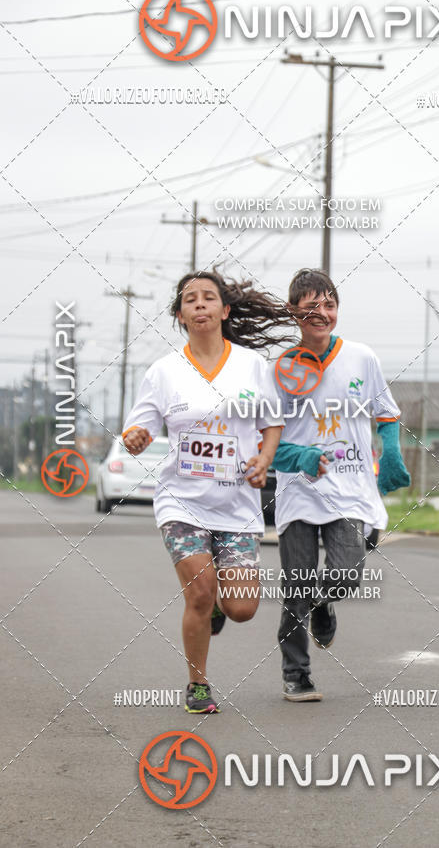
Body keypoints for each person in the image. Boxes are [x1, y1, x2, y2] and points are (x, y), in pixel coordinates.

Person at [121, 269, 290, 714]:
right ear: (180, 315)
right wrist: (136, 435)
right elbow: (138, 424)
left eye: (208, 297)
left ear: (224, 310)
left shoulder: (252, 365)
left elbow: (272, 422)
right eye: (190, 299)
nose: (199, 304)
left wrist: (264, 459)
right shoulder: (164, 371)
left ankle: (219, 609)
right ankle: (198, 684)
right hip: (182, 501)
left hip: (237, 505)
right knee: (197, 593)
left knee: (242, 609)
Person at [271, 268, 411, 702]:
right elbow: (265, 439)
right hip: (297, 490)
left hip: (349, 487)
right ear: (295, 312)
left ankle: (323, 602)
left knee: (348, 574)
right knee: (296, 582)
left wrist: (391, 453)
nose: (322, 313)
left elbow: (385, 412)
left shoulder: (362, 358)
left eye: (329, 305)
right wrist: (301, 458)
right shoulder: (279, 369)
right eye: (312, 307)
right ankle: (297, 673)